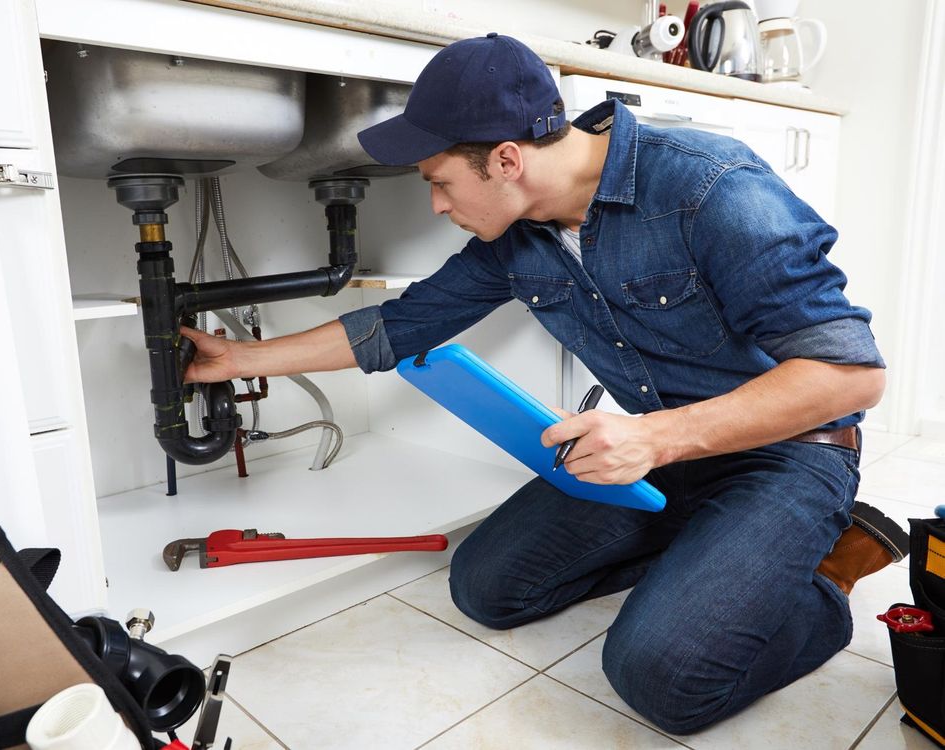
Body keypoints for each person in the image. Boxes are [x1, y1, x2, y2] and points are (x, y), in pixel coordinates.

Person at [182, 33, 908, 733]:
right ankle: (713, 555)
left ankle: (828, 574)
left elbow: (850, 375)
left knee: (660, 678)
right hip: (658, 454)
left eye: (438, 182)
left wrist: (655, 437)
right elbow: (397, 326)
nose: (436, 204)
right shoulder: (517, 234)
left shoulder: (709, 184)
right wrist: (238, 360)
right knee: (487, 588)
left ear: (504, 159)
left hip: (785, 451)